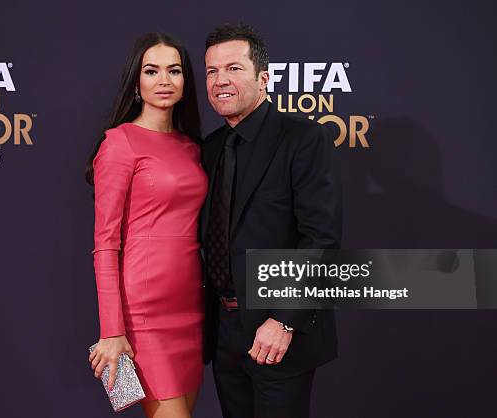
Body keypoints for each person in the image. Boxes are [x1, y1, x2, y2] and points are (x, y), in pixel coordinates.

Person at [201, 24, 343, 418]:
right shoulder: (210, 149)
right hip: (223, 330)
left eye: (233, 68)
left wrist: (284, 319)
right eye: (212, 71)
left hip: (279, 331)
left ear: (263, 78)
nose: (220, 81)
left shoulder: (303, 139)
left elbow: (322, 239)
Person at [86, 33, 206, 418]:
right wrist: (111, 330)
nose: (164, 80)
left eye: (174, 70)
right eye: (152, 71)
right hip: (143, 314)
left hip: (190, 308)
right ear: (136, 83)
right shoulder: (119, 143)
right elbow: (105, 244)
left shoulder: (191, 148)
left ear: (186, 81)